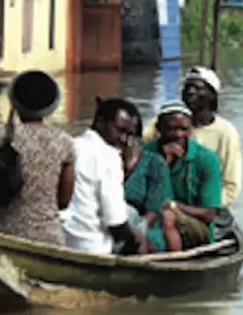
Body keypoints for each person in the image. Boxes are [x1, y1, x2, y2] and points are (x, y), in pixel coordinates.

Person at [0, 70, 74, 246]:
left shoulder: (1, 134)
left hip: (3, 232)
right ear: (51, 106)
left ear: (15, 103)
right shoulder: (65, 142)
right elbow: (64, 201)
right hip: (49, 237)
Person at [62, 98, 146, 254]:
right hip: (91, 246)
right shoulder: (109, 158)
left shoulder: (71, 144)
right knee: (140, 230)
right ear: (100, 122)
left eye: (129, 135)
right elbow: (116, 223)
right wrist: (135, 239)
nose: (124, 140)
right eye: (120, 130)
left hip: (64, 239)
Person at [145, 103, 223, 251]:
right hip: (152, 220)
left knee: (168, 216)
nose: (178, 135)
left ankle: (173, 264)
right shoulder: (146, 155)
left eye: (183, 129)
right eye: (171, 129)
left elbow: (209, 214)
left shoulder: (206, 159)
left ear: (191, 129)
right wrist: (162, 164)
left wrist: (174, 207)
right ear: (159, 128)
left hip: (196, 227)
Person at [178, 66, 243, 208]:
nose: (191, 92)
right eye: (187, 87)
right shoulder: (167, 125)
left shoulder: (225, 132)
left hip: (210, 207)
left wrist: (207, 206)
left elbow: (231, 186)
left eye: (198, 88)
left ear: (212, 95)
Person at [123, 112, 177, 254]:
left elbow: (155, 209)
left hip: (146, 226)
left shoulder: (155, 163)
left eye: (127, 134)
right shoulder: (103, 160)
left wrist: (139, 229)